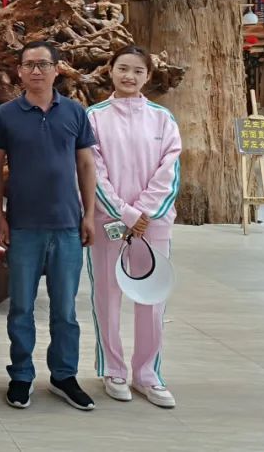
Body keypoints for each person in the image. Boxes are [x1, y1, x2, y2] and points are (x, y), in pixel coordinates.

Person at [0, 41, 98, 411]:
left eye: (43, 64)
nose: (36, 71)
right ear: (19, 71)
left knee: (64, 309)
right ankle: (21, 375)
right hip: (23, 226)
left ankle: (64, 375)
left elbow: (86, 165)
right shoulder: (5, 115)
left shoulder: (75, 112)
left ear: (57, 69)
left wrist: (89, 214)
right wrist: (0, 217)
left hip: (67, 225)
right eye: (29, 65)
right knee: (21, 307)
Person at [86, 45, 181, 409]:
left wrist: (144, 213)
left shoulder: (162, 119)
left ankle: (147, 374)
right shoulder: (94, 117)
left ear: (148, 76)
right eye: (123, 68)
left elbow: (170, 169)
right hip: (109, 221)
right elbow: (92, 170)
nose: (129, 76)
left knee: (152, 298)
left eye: (138, 71)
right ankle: (112, 369)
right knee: (107, 296)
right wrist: (125, 213)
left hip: (153, 224)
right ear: (110, 70)